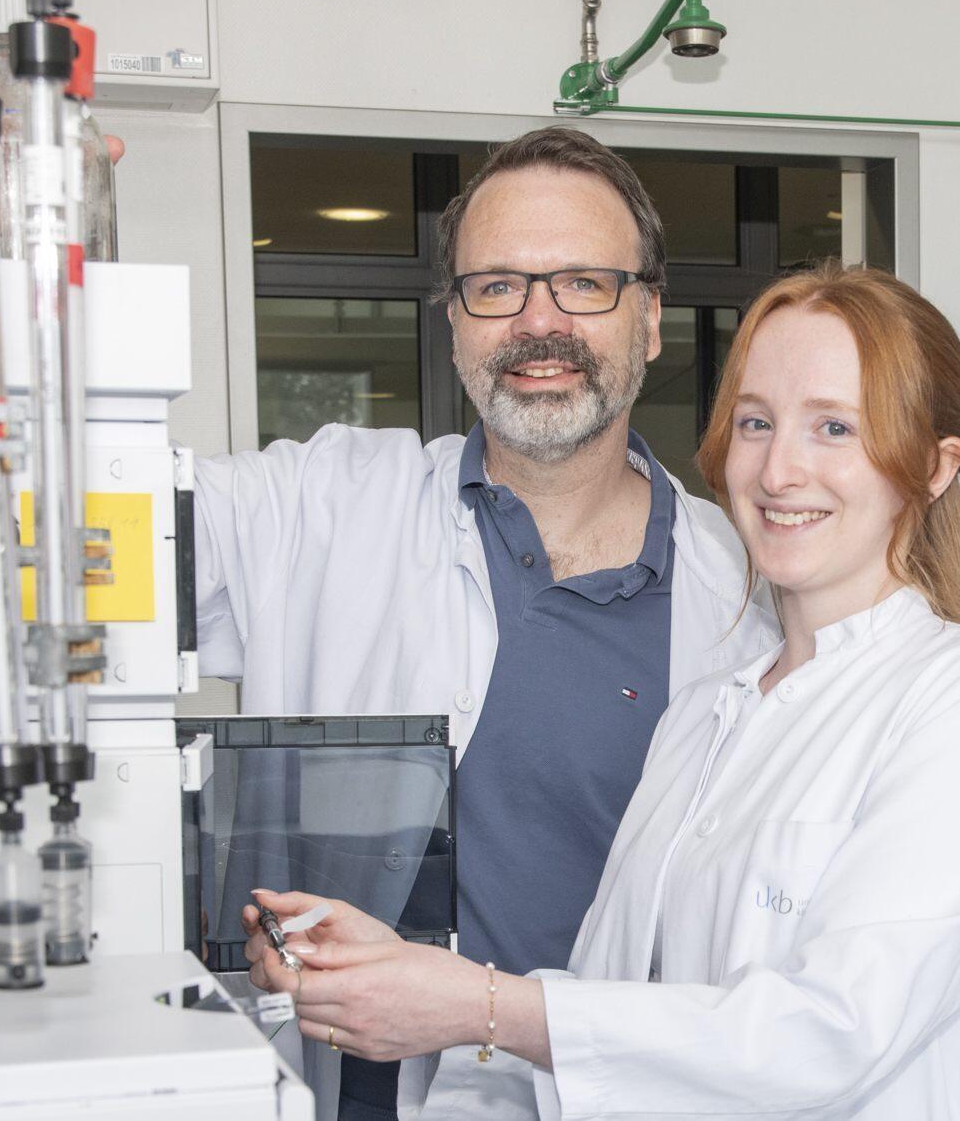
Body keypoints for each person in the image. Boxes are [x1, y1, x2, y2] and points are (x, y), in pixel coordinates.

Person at [247, 262, 960, 1121]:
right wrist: (401, 978)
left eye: (834, 427)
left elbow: (829, 1032)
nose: (779, 470)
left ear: (935, 467)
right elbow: (617, 1018)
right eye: (755, 422)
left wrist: (479, 1003)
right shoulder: (703, 716)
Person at [194, 126, 777, 1119]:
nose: (536, 322)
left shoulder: (752, 598)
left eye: (583, 283)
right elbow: (71, 522)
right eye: (496, 286)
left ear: (648, 319)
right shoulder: (320, 507)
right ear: (455, 321)